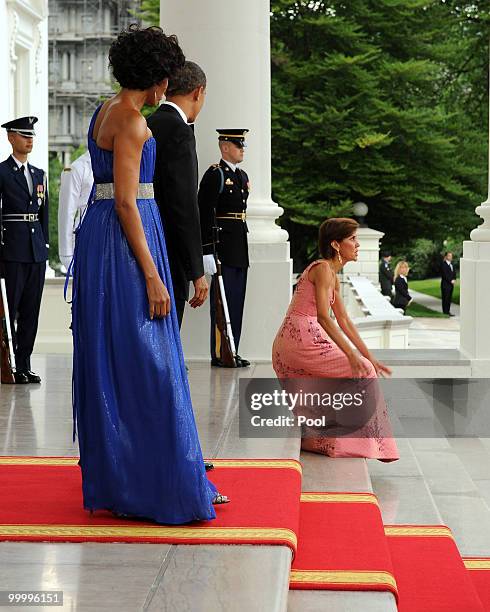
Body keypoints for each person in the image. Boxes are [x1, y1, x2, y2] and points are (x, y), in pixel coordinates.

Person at [71, 25, 228, 524]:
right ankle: (165, 485)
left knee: (113, 358)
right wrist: (154, 275)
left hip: (101, 240)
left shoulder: (103, 112)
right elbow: (124, 201)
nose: (168, 84)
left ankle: (123, 479)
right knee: (153, 362)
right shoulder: (134, 123)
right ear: (156, 76)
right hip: (127, 242)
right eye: (166, 75)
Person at [272, 218, 399, 461]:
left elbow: (344, 320)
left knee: (363, 369)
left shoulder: (332, 275)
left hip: (302, 339)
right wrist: (352, 355)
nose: (358, 244)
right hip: (300, 341)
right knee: (362, 373)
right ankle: (365, 446)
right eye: (352, 239)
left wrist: (369, 356)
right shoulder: (321, 269)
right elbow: (322, 316)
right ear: (336, 245)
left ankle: (323, 439)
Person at [147, 61, 208, 329]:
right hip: (169, 253)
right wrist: (196, 271)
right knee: (167, 336)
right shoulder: (180, 132)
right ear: (198, 92)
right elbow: (184, 206)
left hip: (142, 240)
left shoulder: (147, 123)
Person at [0, 116, 48, 384]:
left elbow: (44, 215)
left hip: (35, 252)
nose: (29, 139)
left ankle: (25, 364)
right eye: (22, 135)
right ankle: (10, 364)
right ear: (10, 138)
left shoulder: (39, 174)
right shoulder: (2, 172)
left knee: (31, 311)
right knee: (11, 310)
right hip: (12, 250)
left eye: (31, 135)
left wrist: (45, 246)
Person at [198, 129, 250, 368]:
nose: (242, 149)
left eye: (242, 145)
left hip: (238, 246)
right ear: (224, 147)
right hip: (222, 248)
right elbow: (204, 212)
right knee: (223, 303)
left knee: (237, 301)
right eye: (238, 145)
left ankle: (234, 349)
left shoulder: (241, 176)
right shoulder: (215, 175)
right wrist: (207, 250)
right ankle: (221, 353)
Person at [58, 151, 93, 272]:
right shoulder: (77, 168)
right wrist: (66, 255)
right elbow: (66, 214)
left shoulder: (115, 163)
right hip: (85, 239)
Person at [441, 251, 456, 316]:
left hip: (451, 285)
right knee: (445, 298)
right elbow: (445, 275)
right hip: (445, 285)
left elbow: (454, 273)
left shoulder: (451, 265)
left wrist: (454, 279)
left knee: (449, 298)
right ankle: (445, 312)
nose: (450, 257)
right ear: (446, 257)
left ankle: (448, 311)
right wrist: (450, 280)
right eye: (449, 256)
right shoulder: (443, 265)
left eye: (451, 256)